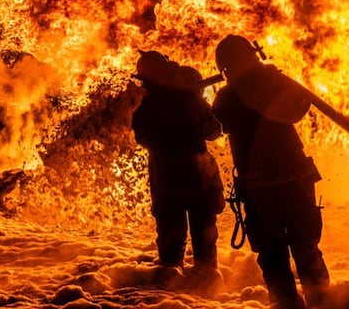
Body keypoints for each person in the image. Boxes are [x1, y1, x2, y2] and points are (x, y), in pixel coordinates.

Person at [210, 35, 330, 309]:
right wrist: (275, 80)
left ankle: (295, 304)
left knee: (277, 254)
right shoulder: (272, 85)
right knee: (303, 248)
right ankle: (320, 303)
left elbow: (216, 121)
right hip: (288, 181)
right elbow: (299, 107)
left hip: (264, 187)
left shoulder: (228, 96)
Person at [130, 49, 226, 287]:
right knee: (188, 240)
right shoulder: (156, 104)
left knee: (186, 241)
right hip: (182, 178)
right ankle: (193, 290)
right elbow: (213, 130)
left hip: (181, 178)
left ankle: (195, 291)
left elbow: (213, 129)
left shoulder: (171, 102)